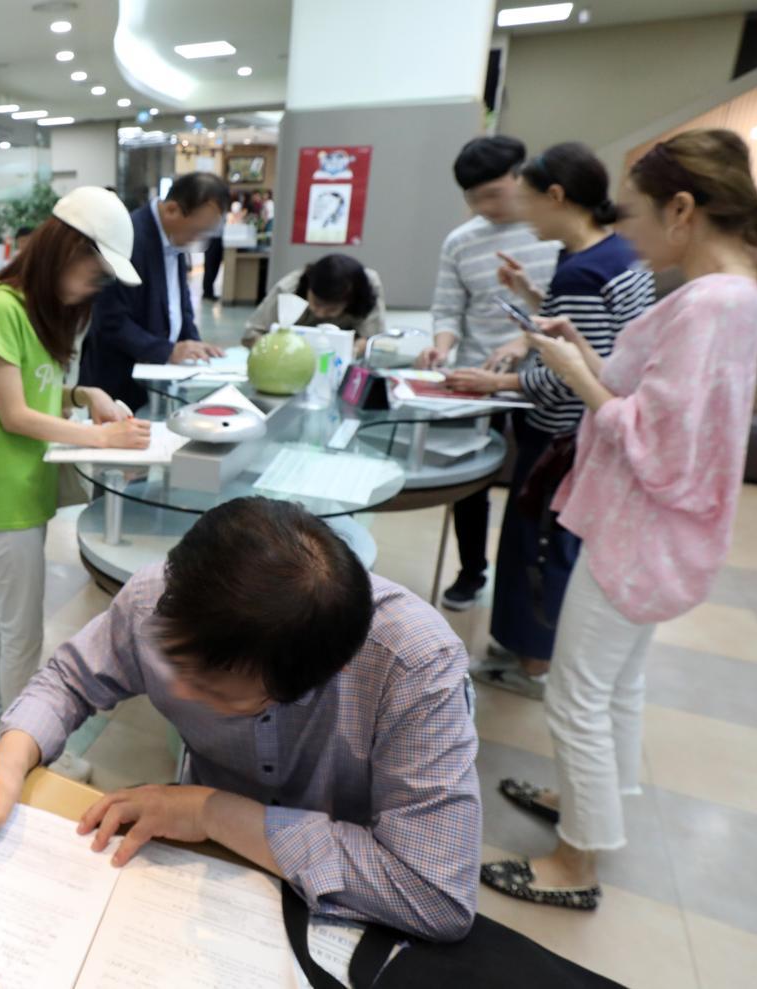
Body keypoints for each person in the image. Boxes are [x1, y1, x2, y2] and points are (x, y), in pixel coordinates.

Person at [0, 497, 483, 942]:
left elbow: (433, 893)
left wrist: (213, 812)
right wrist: (9, 763)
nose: (175, 691)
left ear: (314, 677)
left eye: (211, 688)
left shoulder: (413, 667)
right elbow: (68, 680)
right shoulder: (161, 598)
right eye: (174, 660)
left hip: (343, 903)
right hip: (202, 872)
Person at [482, 129, 757, 910]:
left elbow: (660, 444)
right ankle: (592, 809)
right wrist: (580, 348)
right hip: (661, 534)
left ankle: (575, 864)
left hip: (640, 531)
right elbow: (659, 399)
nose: (627, 230)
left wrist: (581, 378)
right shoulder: (736, 293)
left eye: (639, 212)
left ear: (682, 209)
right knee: (615, 683)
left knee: (579, 690)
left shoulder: (712, 303)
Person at [448, 142, 654, 700]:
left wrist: (497, 384)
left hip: (563, 433)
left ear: (557, 197)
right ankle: (529, 650)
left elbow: (570, 373)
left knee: (537, 544)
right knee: (540, 540)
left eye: (527, 198)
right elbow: (589, 337)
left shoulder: (583, 271)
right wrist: (532, 297)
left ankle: (534, 663)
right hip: (582, 431)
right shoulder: (610, 255)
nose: (521, 210)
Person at [0, 187, 152, 747]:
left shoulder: (36, 311)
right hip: (3, 497)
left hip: (25, 490)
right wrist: (103, 437)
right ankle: (27, 749)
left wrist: (82, 393)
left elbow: (38, 393)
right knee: (21, 634)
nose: (92, 290)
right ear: (67, 250)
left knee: (2, 618)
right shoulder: (1, 308)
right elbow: (14, 413)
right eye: (93, 275)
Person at [420, 137, 560, 613]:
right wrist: (441, 347)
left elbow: (565, 309)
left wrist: (524, 342)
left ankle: (525, 589)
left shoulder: (553, 230)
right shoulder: (461, 241)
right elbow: (446, 310)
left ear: (521, 177)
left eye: (494, 194)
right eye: (474, 199)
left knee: (533, 485)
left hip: (545, 378)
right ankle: (471, 571)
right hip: (478, 378)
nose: (485, 207)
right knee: (470, 480)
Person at [78, 172, 230, 412]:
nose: (198, 240)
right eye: (196, 231)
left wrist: (193, 344)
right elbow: (110, 320)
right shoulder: (128, 237)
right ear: (172, 210)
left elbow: (180, 304)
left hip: (160, 380)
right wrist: (168, 351)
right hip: (118, 384)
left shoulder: (175, 237)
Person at [242, 253, 386, 351]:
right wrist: (273, 349)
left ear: (350, 302)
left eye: (331, 310)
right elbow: (251, 334)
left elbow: (373, 338)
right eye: (316, 303)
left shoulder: (368, 288)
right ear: (309, 287)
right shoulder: (288, 290)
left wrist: (352, 351)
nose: (320, 313)